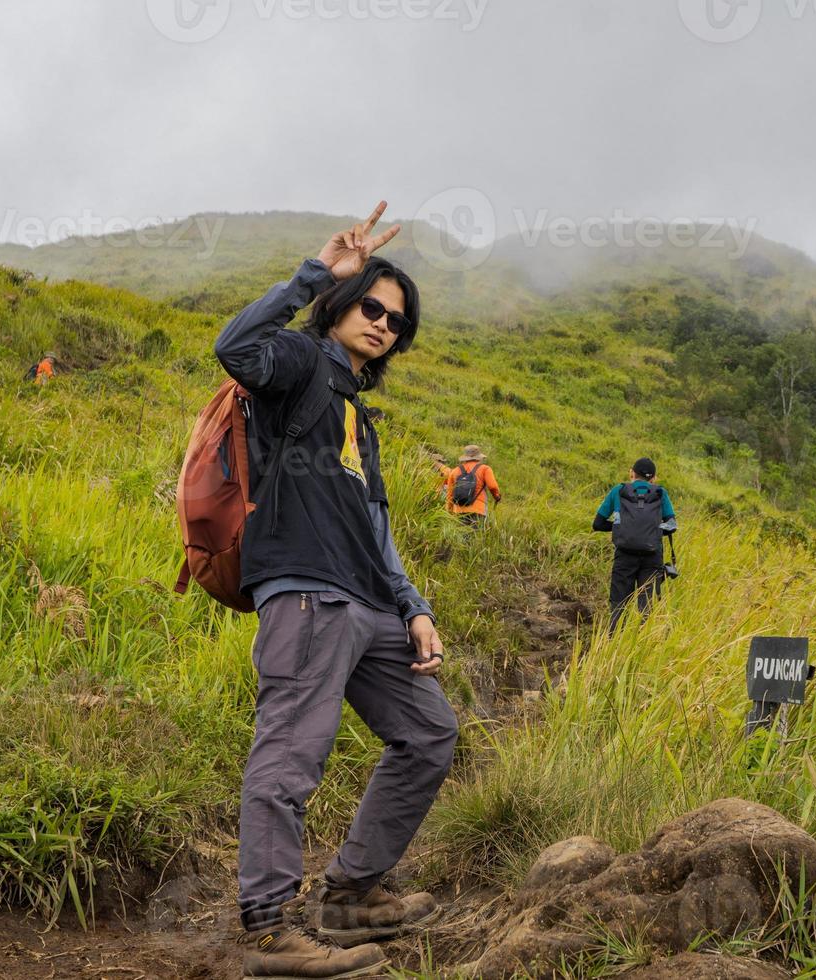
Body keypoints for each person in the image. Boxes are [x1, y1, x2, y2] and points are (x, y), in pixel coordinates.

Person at [213, 202, 458, 980]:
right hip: (307, 596)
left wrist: (413, 606)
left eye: (397, 320)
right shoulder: (296, 364)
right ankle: (267, 931)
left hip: (368, 605)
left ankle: (350, 893)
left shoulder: (359, 414)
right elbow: (234, 346)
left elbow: (376, 525)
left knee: (428, 735)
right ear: (344, 307)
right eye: (373, 306)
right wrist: (317, 271)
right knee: (291, 755)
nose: (384, 322)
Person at [593, 457, 677, 632]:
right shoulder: (661, 493)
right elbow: (671, 526)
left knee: (619, 604)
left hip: (624, 556)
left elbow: (598, 524)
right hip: (652, 557)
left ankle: (614, 644)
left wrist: (622, 528)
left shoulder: (619, 490)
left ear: (631, 473)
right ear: (654, 478)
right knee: (646, 607)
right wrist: (650, 531)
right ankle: (645, 647)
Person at [442, 445, 502, 527]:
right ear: (479, 457)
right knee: (476, 537)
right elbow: (493, 487)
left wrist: (449, 511)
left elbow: (449, 494)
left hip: (459, 512)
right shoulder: (485, 469)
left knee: (462, 538)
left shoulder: (455, 471)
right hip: (478, 510)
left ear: (465, 457)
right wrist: (497, 496)